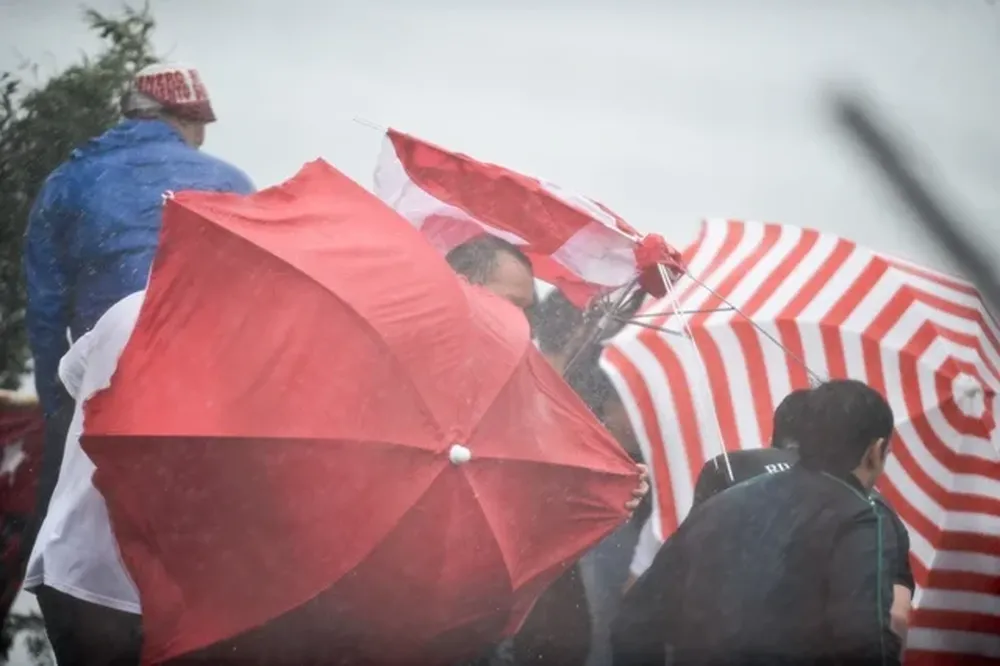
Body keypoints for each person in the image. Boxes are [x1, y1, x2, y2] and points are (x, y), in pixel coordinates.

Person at [22, 63, 254, 560]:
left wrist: (59, 413)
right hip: (203, 398)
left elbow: (44, 316)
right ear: (186, 121)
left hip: (103, 388)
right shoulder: (232, 185)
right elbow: (260, 304)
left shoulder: (67, 182)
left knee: (54, 542)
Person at [447, 238, 647, 666]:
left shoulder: (522, 386)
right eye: (510, 304)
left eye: (527, 310)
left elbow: (537, 489)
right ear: (460, 287)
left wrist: (605, 491)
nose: (522, 323)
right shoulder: (413, 371)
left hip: (488, 605)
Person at [612, 379, 904, 666]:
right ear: (875, 451)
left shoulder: (722, 503)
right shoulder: (860, 516)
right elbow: (864, 643)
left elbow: (634, 621)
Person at [23, 291, 146, 666]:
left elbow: (71, 377)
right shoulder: (240, 343)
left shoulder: (128, 307)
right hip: (132, 597)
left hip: (64, 566)